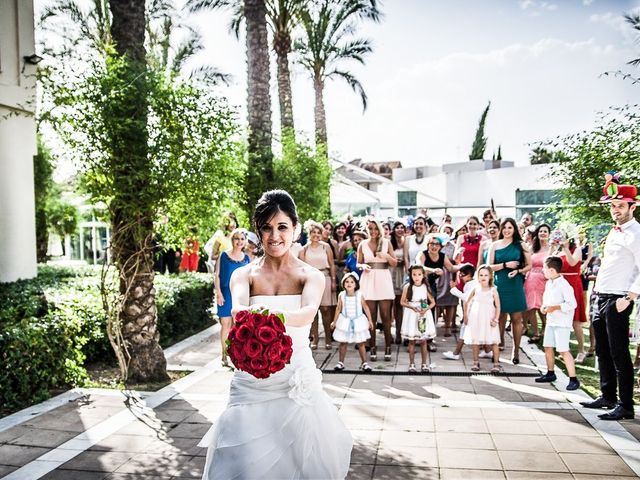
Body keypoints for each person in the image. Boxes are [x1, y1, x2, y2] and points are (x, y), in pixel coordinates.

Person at [199, 190, 352, 479]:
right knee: (242, 461)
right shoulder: (243, 275)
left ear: (296, 229)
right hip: (251, 381)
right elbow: (239, 311)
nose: (274, 236)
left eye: (282, 227)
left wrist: (272, 317)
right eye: (267, 228)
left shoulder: (311, 276)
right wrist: (258, 320)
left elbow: (307, 312)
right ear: (258, 231)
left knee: (300, 462)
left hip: (294, 380)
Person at [580, 175, 640, 421]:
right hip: (600, 296)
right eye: (613, 206)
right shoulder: (614, 232)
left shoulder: (636, 233)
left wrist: (629, 296)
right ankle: (607, 396)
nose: (615, 210)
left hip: (619, 298)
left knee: (619, 352)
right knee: (602, 350)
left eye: (620, 206)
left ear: (632, 206)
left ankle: (625, 405)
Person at [488, 217, 531, 364]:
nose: (507, 230)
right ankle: (498, 346)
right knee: (499, 318)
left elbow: (529, 266)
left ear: (514, 230)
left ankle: (516, 350)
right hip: (500, 285)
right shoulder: (494, 245)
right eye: (504, 227)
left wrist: (518, 271)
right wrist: (506, 264)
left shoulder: (521, 245)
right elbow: (489, 267)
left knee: (516, 319)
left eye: (510, 227)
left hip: (515, 284)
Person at [534, 256, 580, 390]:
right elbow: (547, 299)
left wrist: (555, 307)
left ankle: (573, 378)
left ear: (552, 270)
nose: (543, 270)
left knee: (563, 350)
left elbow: (572, 304)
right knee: (548, 346)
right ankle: (550, 372)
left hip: (562, 323)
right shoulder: (549, 283)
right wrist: (544, 306)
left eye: (545, 268)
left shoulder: (564, 285)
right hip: (551, 321)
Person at [357, 218, 398, 361]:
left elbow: (394, 263)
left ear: (379, 229)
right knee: (371, 317)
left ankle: (388, 347)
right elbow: (358, 263)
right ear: (367, 230)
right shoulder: (362, 244)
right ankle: (372, 347)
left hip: (383, 279)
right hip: (368, 280)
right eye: (370, 229)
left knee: (386, 317)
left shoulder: (386, 243)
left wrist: (386, 255)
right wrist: (363, 267)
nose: (373, 231)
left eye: (375, 228)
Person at [214, 229, 250, 366]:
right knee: (226, 324)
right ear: (232, 240)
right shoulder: (224, 255)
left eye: (242, 239)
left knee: (237, 326)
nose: (239, 242)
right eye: (237, 239)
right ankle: (224, 355)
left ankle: (235, 354)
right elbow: (216, 275)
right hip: (225, 295)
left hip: (240, 296)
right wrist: (218, 293)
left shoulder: (246, 258)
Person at [299, 221, 337, 350]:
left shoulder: (326, 247)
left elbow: (332, 264)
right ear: (309, 234)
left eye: (318, 232)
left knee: (326, 309)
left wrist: (333, 281)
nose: (316, 235)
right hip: (310, 281)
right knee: (312, 311)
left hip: (325, 277)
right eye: (313, 232)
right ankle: (314, 338)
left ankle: (327, 338)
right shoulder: (304, 249)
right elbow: (301, 268)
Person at [550, 233, 588, 363]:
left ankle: (581, 350)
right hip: (560, 283)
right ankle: (563, 349)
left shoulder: (576, 249)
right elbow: (549, 264)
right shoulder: (557, 251)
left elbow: (572, 262)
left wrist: (566, 248)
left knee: (575, 321)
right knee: (560, 318)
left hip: (573, 283)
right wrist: (553, 248)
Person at [416, 234, 462, 338]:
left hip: (430, 286)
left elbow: (450, 268)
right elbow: (420, 266)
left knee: (430, 311)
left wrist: (462, 266)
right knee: (420, 310)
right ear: (428, 245)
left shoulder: (442, 256)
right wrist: (433, 270)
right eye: (432, 244)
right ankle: (418, 335)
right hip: (419, 285)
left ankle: (429, 338)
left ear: (440, 246)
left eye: (437, 244)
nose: (434, 246)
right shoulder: (422, 254)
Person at [331, 272, 374, 372]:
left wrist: (370, 320)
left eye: (352, 282)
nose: (349, 283)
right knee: (343, 343)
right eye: (347, 282)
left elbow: (365, 307)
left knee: (360, 343)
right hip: (345, 321)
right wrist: (334, 321)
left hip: (358, 320)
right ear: (343, 284)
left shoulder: (359, 295)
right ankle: (341, 362)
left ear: (356, 284)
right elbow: (338, 308)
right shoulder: (341, 295)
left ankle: (364, 363)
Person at [463, 265, 503, 373]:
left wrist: (496, 319)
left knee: (494, 341)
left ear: (490, 276)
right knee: (475, 340)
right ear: (477, 276)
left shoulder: (493, 290)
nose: (483, 277)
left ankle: (496, 364)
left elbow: (498, 306)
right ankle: (476, 362)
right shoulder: (475, 289)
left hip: (489, 317)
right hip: (476, 317)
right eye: (481, 275)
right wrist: (466, 316)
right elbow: (467, 302)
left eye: (486, 275)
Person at [442, 263, 485, 361]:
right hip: (476, 312)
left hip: (472, 313)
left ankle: (456, 353)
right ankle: (487, 351)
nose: (461, 277)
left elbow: (466, 298)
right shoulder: (472, 284)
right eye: (460, 275)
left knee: (464, 332)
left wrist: (453, 289)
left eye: (463, 275)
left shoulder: (471, 285)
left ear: (470, 275)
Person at [400, 265, 436, 372]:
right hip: (411, 315)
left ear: (423, 275)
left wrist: (425, 309)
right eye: (414, 274)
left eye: (419, 274)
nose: (416, 277)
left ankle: (424, 364)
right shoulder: (408, 287)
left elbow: (433, 302)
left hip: (423, 315)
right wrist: (411, 307)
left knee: (423, 340)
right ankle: (412, 364)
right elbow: (402, 302)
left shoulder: (425, 287)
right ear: (410, 275)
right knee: (412, 341)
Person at [524, 223, 551, 343]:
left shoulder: (552, 248)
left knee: (543, 306)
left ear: (549, 234)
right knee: (531, 307)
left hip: (545, 279)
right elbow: (526, 263)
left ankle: (546, 327)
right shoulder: (532, 248)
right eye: (540, 231)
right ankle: (536, 332)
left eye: (545, 231)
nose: (543, 233)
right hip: (531, 279)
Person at [389, 221, 407, 344]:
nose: (400, 229)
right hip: (390, 273)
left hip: (402, 273)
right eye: (397, 227)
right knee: (389, 305)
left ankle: (399, 332)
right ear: (394, 229)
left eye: (402, 227)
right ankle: (388, 332)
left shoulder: (406, 242)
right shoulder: (389, 242)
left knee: (400, 305)